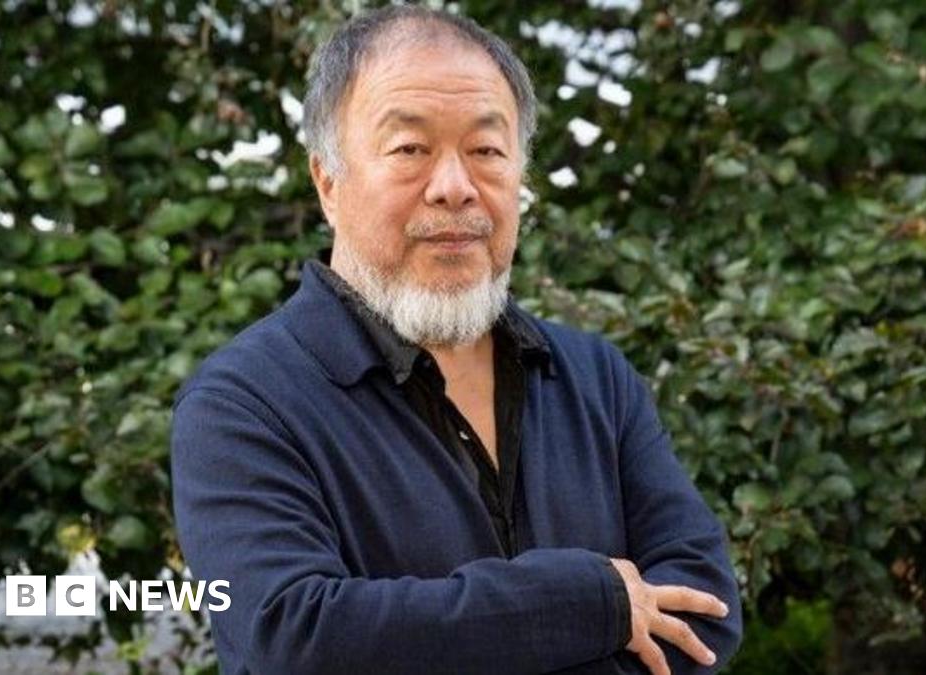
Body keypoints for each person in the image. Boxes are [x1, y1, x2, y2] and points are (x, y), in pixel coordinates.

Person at [170, 6, 743, 674]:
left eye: (487, 151)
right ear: (328, 182)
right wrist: (591, 603)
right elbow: (297, 639)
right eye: (409, 150)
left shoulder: (593, 378)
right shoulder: (244, 404)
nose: (454, 188)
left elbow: (704, 609)